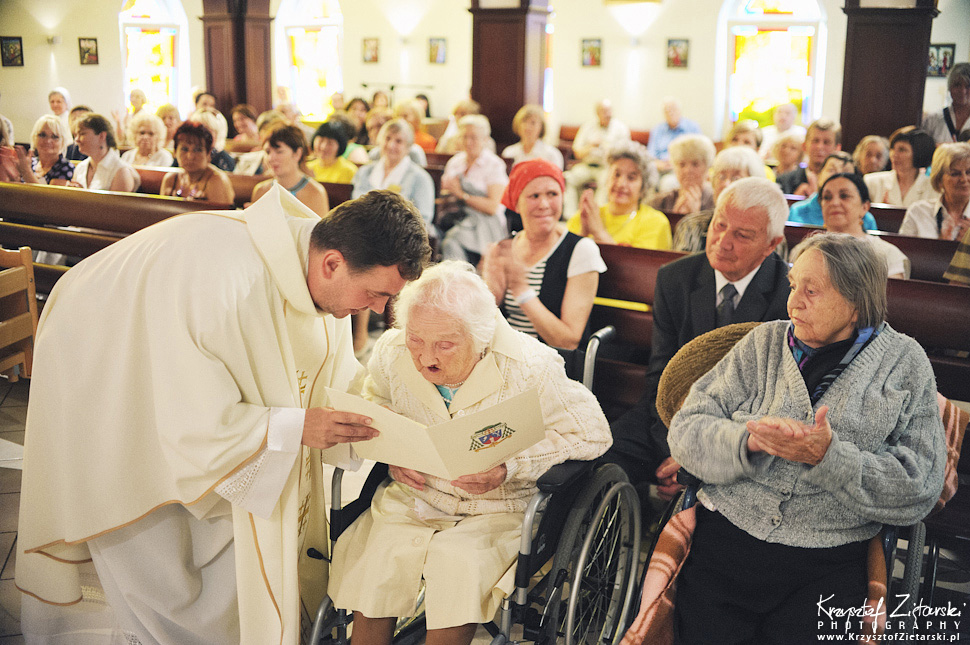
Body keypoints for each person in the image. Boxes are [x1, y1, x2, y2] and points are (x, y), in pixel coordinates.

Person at [16, 187, 432, 645]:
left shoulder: (313, 270)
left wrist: (391, 437)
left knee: (235, 560)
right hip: (111, 383)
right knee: (160, 569)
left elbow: (331, 379)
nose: (378, 310)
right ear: (332, 263)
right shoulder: (222, 283)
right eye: (375, 293)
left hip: (179, 391)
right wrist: (293, 427)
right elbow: (189, 421)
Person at [668, 232, 944, 643]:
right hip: (729, 537)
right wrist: (749, 443)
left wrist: (830, 458)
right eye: (793, 285)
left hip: (829, 556)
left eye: (810, 291)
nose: (792, 302)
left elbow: (921, 484)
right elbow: (686, 428)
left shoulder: (905, 364)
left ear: (857, 302)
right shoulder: (763, 343)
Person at [328, 260, 612, 645]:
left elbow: (592, 432)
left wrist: (510, 466)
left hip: (499, 508)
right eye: (416, 340)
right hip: (416, 495)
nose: (425, 358)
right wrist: (394, 451)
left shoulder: (531, 367)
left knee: (457, 565)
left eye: (445, 345)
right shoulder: (392, 352)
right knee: (379, 557)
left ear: (480, 338)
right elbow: (374, 400)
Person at [601, 177, 790, 498]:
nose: (723, 242)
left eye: (742, 235)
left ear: (772, 244)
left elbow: (769, 399)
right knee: (602, 461)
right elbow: (662, 373)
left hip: (740, 432)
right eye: (719, 225)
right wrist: (673, 447)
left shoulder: (789, 294)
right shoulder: (676, 278)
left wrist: (695, 456)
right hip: (668, 414)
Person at [482, 159, 605, 350]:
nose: (544, 204)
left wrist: (522, 292)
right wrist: (491, 291)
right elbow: (484, 322)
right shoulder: (503, 249)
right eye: (534, 196)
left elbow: (568, 341)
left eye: (553, 194)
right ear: (517, 204)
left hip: (551, 361)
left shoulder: (582, 250)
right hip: (503, 355)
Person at [801, 172, 909, 279]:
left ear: (864, 207)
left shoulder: (886, 254)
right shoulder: (806, 250)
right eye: (827, 197)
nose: (834, 203)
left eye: (844, 196)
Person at [568, 141, 670, 248]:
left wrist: (598, 232)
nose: (621, 184)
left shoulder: (655, 222)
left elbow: (633, 259)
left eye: (631, 178)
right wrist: (583, 232)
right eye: (616, 175)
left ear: (643, 187)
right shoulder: (584, 216)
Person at [439, 115, 509, 265]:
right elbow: (445, 193)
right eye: (464, 137)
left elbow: (492, 207)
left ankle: (459, 276)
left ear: (485, 139)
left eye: (473, 137)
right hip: (458, 217)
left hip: (487, 223)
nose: (468, 142)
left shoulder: (494, 165)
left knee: (452, 241)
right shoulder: (455, 162)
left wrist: (462, 195)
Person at [672, 146, 765, 252]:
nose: (726, 184)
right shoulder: (691, 225)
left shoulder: (764, 232)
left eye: (735, 178)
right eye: (721, 177)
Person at [353, 119, 435, 234]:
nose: (391, 145)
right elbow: (354, 207)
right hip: (362, 233)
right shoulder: (364, 172)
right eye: (387, 138)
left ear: (408, 147)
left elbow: (423, 221)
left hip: (400, 237)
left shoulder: (421, 178)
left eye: (398, 141)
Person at [565, 99, 631, 213]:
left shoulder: (621, 129)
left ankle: (597, 214)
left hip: (607, 167)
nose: (608, 114)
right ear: (597, 113)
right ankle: (570, 216)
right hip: (587, 166)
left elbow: (625, 155)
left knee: (606, 181)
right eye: (604, 111)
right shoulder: (587, 127)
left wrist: (608, 149)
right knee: (569, 178)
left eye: (609, 111)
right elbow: (577, 153)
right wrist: (591, 146)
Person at [788, 152, 880, 231]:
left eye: (846, 172)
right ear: (819, 176)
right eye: (831, 170)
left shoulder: (865, 218)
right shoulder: (798, 211)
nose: (838, 176)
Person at [252, 123, 330, 217]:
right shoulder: (261, 191)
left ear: (297, 153)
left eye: (279, 152)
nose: (270, 158)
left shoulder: (315, 193)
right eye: (268, 152)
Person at [900, 142, 970, 240]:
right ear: (939, 179)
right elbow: (903, 249)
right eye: (955, 174)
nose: (964, 179)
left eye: (968, 172)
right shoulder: (918, 212)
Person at [160, 121, 234, 204]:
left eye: (198, 150)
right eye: (184, 149)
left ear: (208, 154)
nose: (190, 156)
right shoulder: (170, 179)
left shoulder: (217, 181)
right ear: (175, 152)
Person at [864, 127, 938, 207]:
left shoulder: (933, 187)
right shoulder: (872, 182)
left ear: (919, 154)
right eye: (893, 149)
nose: (894, 155)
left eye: (902, 150)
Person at [70, 114, 139, 192]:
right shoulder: (81, 167)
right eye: (76, 135)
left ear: (102, 136)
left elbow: (115, 200)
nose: (77, 139)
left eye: (82, 134)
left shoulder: (121, 171)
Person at [649, 134, 716, 215]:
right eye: (682, 164)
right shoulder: (659, 202)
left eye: (695, 164)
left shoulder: (715, 201)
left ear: (707, 166)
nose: (688, 170)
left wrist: (694, 216)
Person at [1, 115, 74, 186]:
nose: (48, 141)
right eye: (42, 135)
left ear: (63, 141)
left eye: (55, 137)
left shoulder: (66, 167)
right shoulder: (31, 163)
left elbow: (47, 194)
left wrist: (26, 171)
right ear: (34, 137)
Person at [776, 118, 842, 196]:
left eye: (826, 142)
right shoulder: (784, 181)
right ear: (804, 146)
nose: (820, 147)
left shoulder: (844, 183)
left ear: (837, 148)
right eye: (815, 141)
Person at [647, 97, 701, 173]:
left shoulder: (692, 128)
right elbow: (651, 154)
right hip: (660, 168)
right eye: (667, 111)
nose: (671, 113)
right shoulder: (657, 130)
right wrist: (658, 164)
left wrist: (679, 164)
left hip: (682, 169)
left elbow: (698, 153)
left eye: (674, 110)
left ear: (680, 111)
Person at [502, 104, 564, 169]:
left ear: (541, 127)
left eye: (533, 123)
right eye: (524, 121)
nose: (527, 127)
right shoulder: (509, 152)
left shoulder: (552, 154)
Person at [922, 62, 970, 144]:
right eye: (957, 85)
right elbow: (922, 148)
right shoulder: (932, 119)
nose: (962, 91)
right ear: (949, 87)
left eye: (968, 86)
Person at [191, 108, 237, 173]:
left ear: (217, 133)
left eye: (206, 131)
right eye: (196, 130)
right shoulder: (186, 154)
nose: (200, 135)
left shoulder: (223, 159)